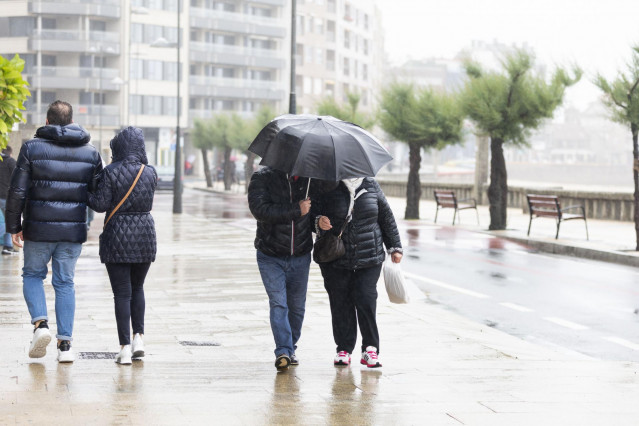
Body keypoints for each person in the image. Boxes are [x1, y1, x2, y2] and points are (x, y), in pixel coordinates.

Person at [5, 100, 103, 362]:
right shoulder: (91, 153)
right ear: (71, 122)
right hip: (72, 233)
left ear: (47, 122)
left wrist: (13, 226)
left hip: (37, 229)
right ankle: (66, 346)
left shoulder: (31, 148)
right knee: (65, 282)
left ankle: (41, 325)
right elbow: (97, 198)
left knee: (33, 275)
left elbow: (17, 192)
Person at [312, 177, 402, 368]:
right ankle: (343, 348)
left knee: (366, 298)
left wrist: (395, 247)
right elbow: (312, 211)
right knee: (340, 301)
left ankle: (370, 348)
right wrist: (318, 221)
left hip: (369, 254)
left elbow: (386, 216)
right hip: (336, 256)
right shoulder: (327, 184)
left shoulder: (370, 185)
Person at [88, 127, 157, 365]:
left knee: (122, 293)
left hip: (117, 236)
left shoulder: (110, 171)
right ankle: (139, 339)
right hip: (145, 235)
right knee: (138, 289)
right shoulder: (150, 172)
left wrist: (88, 190)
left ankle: (124, 348)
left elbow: (100, 204)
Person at [247, 167, 314, 371]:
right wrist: (296, 210)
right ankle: (283, 350)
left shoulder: (309, 179)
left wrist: (319, 219)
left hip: (301, 255)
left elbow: (318, 208)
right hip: (270, 254)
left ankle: (291, 348)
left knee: (297, 307)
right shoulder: (262, 177)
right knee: (279, 303)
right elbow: (259, 210)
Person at [0, 145, 17, 254]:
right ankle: (7, 246)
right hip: (6, 196)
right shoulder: (11, 162)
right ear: (10, 153)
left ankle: (8, 246)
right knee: (8, 222)